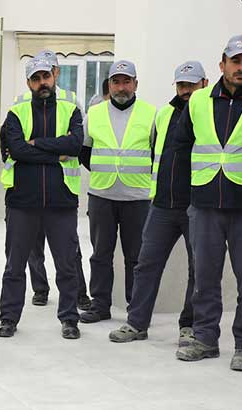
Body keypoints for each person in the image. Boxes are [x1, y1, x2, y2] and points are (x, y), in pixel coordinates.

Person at [170, 34, 242, 372]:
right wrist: (185, 196)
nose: (240, 67)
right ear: (222, 64)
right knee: (204, 276)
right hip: (204, 204)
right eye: (235, 61)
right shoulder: (198, 101)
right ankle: (204, 339)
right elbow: (181, 147)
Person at [108, 61, 208, 344]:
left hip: (196, 205)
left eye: (192, 85)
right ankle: (136, 323)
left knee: (198, 270)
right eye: (182, 85)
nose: (186, 91)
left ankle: (189, 326)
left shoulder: (209, 113)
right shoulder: (163, 114)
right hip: (162, 204)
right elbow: (157, 154)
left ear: (204, 84)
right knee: (146, 265)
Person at [0, 57, 84, 339]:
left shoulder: (71, 109)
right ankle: (8, 318)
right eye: (36, 79)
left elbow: (75, 145)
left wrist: (37, 144)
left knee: (66, 266)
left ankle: (69, 319)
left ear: (54, 76)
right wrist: (55, 154)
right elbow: (17, 149)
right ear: (28, 83)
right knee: (14, 266)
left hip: (61, 201)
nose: (42, 83)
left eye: (45, 76)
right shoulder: (17, 112)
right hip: (23, 201)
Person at [79, 60, 156, 324]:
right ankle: (100, 305)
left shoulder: (151, 114)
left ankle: (136, 308)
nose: (121, 87)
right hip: (102, 194)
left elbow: (156, 154)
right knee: (101, 254)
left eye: (126, 82)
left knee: (137, 257)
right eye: (116, 82)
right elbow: (85, 151)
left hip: (138, 197)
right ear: (109, 85)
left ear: (135, 84)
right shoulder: (94, 114)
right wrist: (106, 169)